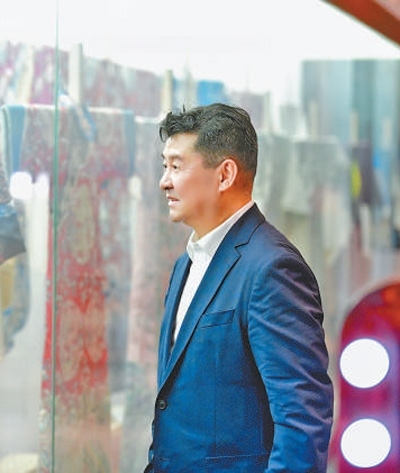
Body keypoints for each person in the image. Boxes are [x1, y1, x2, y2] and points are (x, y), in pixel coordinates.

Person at [144, 103, 334, 473]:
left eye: (176, 166)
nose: (164, 181)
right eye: (165, 166)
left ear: (225, 174)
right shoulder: (186, 264)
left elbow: (302, 419)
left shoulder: (272, 268)